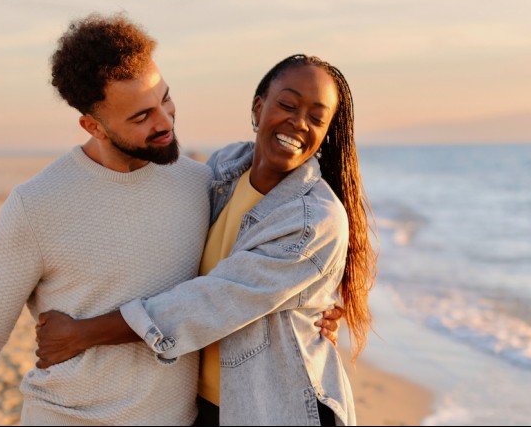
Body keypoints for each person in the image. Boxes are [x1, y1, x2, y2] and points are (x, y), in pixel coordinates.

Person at [0, 14, 340, 426]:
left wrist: (316, 310)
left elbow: (233, 282)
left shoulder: (201, 184)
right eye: (141, 117)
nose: (164, 122)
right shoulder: (36, 204)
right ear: (93, 126)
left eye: (165, 99)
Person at [35, 54, 378, 426]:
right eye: (288, 104)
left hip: (275, 409)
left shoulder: (314, 219)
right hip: (205, 406)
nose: (298, 123)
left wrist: (81, 334)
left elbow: (213, 300)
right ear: (258, 108)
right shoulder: (224, 170)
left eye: (316, 117)